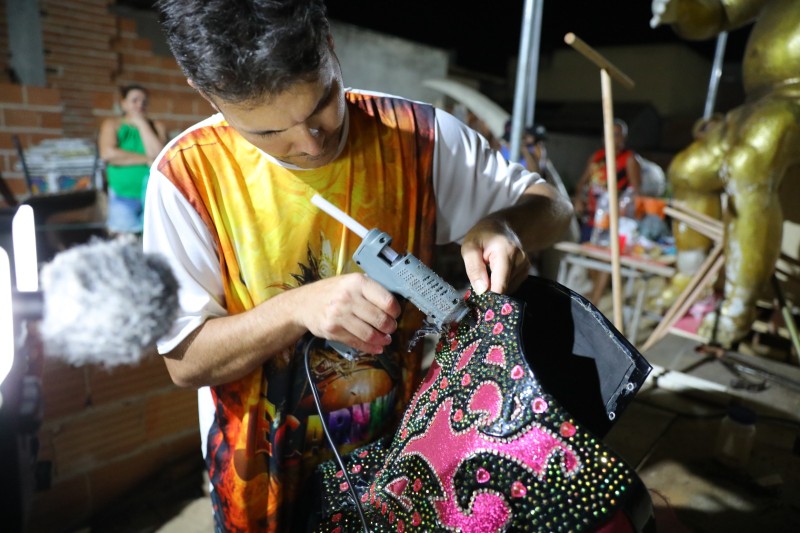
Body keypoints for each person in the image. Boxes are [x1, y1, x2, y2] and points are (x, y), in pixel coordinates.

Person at [144, 1, 572, 531]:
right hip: (259, 484)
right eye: (270, 134)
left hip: (403, 467)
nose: (311, 142)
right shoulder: (187, 177)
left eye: (322, 102)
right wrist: (297, 308)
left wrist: (508, 226)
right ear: (205, 91)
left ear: (329, 42)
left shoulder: (418, 137)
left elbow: (553, 206)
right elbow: (185, 361)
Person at [652, 0, 800, 347]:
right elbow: (719, 11)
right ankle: (690, 277)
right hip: (757, 105)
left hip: (792, 106)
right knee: (687, 171)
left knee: (748, 162)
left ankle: (739, 305)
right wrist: (680, 7)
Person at [572, 119, 642, 305]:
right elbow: (582, 183)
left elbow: (635, 190)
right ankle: (598, 295)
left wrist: (620, 208)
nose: (611, 138)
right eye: (608, 135)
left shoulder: (628, 159)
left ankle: (594, 301)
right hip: (592, 215)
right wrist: (579, 198)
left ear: (623, 138)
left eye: (616, 135)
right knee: (590, 256)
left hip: (613, 219)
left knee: (604, 259)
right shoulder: (597, 157)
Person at [98, 84, 168, 235]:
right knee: (125, 243)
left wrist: (142, 124)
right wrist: (146, 159)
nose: (140, 104)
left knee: (153, 239)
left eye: (144, 101)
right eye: (134, 100)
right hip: (123, 197)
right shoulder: (112, 124)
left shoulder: (156, 126)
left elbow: (160, 156)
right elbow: (108, 154)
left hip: (153, 196)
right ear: (123, 103)